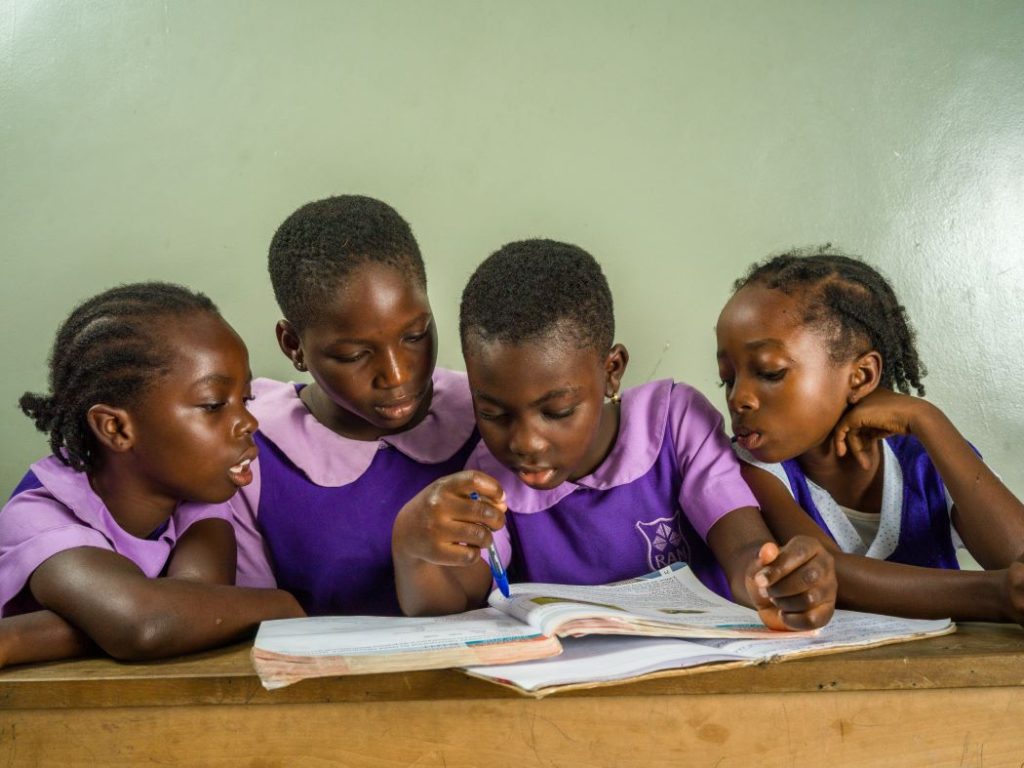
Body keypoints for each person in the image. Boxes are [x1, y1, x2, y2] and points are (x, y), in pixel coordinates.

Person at [391, 239, 837, 630]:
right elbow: (454, 602)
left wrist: (771, 584)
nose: (526, 442)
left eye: (557, 410)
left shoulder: (674, 423)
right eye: (493, 413)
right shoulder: (487, 481)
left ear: (611, 371)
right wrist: (414, 547)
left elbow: (743, 548)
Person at [0, 282, 302, 669]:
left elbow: (198, 606)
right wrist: (281, 603)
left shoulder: (194, 496)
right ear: (116, 429)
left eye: (245, 400)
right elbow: (148, 625)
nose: (248, 422)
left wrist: (21, 637)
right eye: (213, 405)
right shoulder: (39, 516)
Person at [715, 246, 1024, 623]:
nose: (739, 399)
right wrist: (994, 595)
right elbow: (833, 575)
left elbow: (1016, 555)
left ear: (860, 376)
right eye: (727, 379)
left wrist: (927, 418)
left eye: (769, 372)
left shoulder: (926, 456)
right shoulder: (752, 468)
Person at [221, 195, 480, 615]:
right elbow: (251, 627)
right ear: (294, 346)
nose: (396, 376)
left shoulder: (490, 414)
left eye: (415, 335)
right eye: (353, 355)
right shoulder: (253, 453)